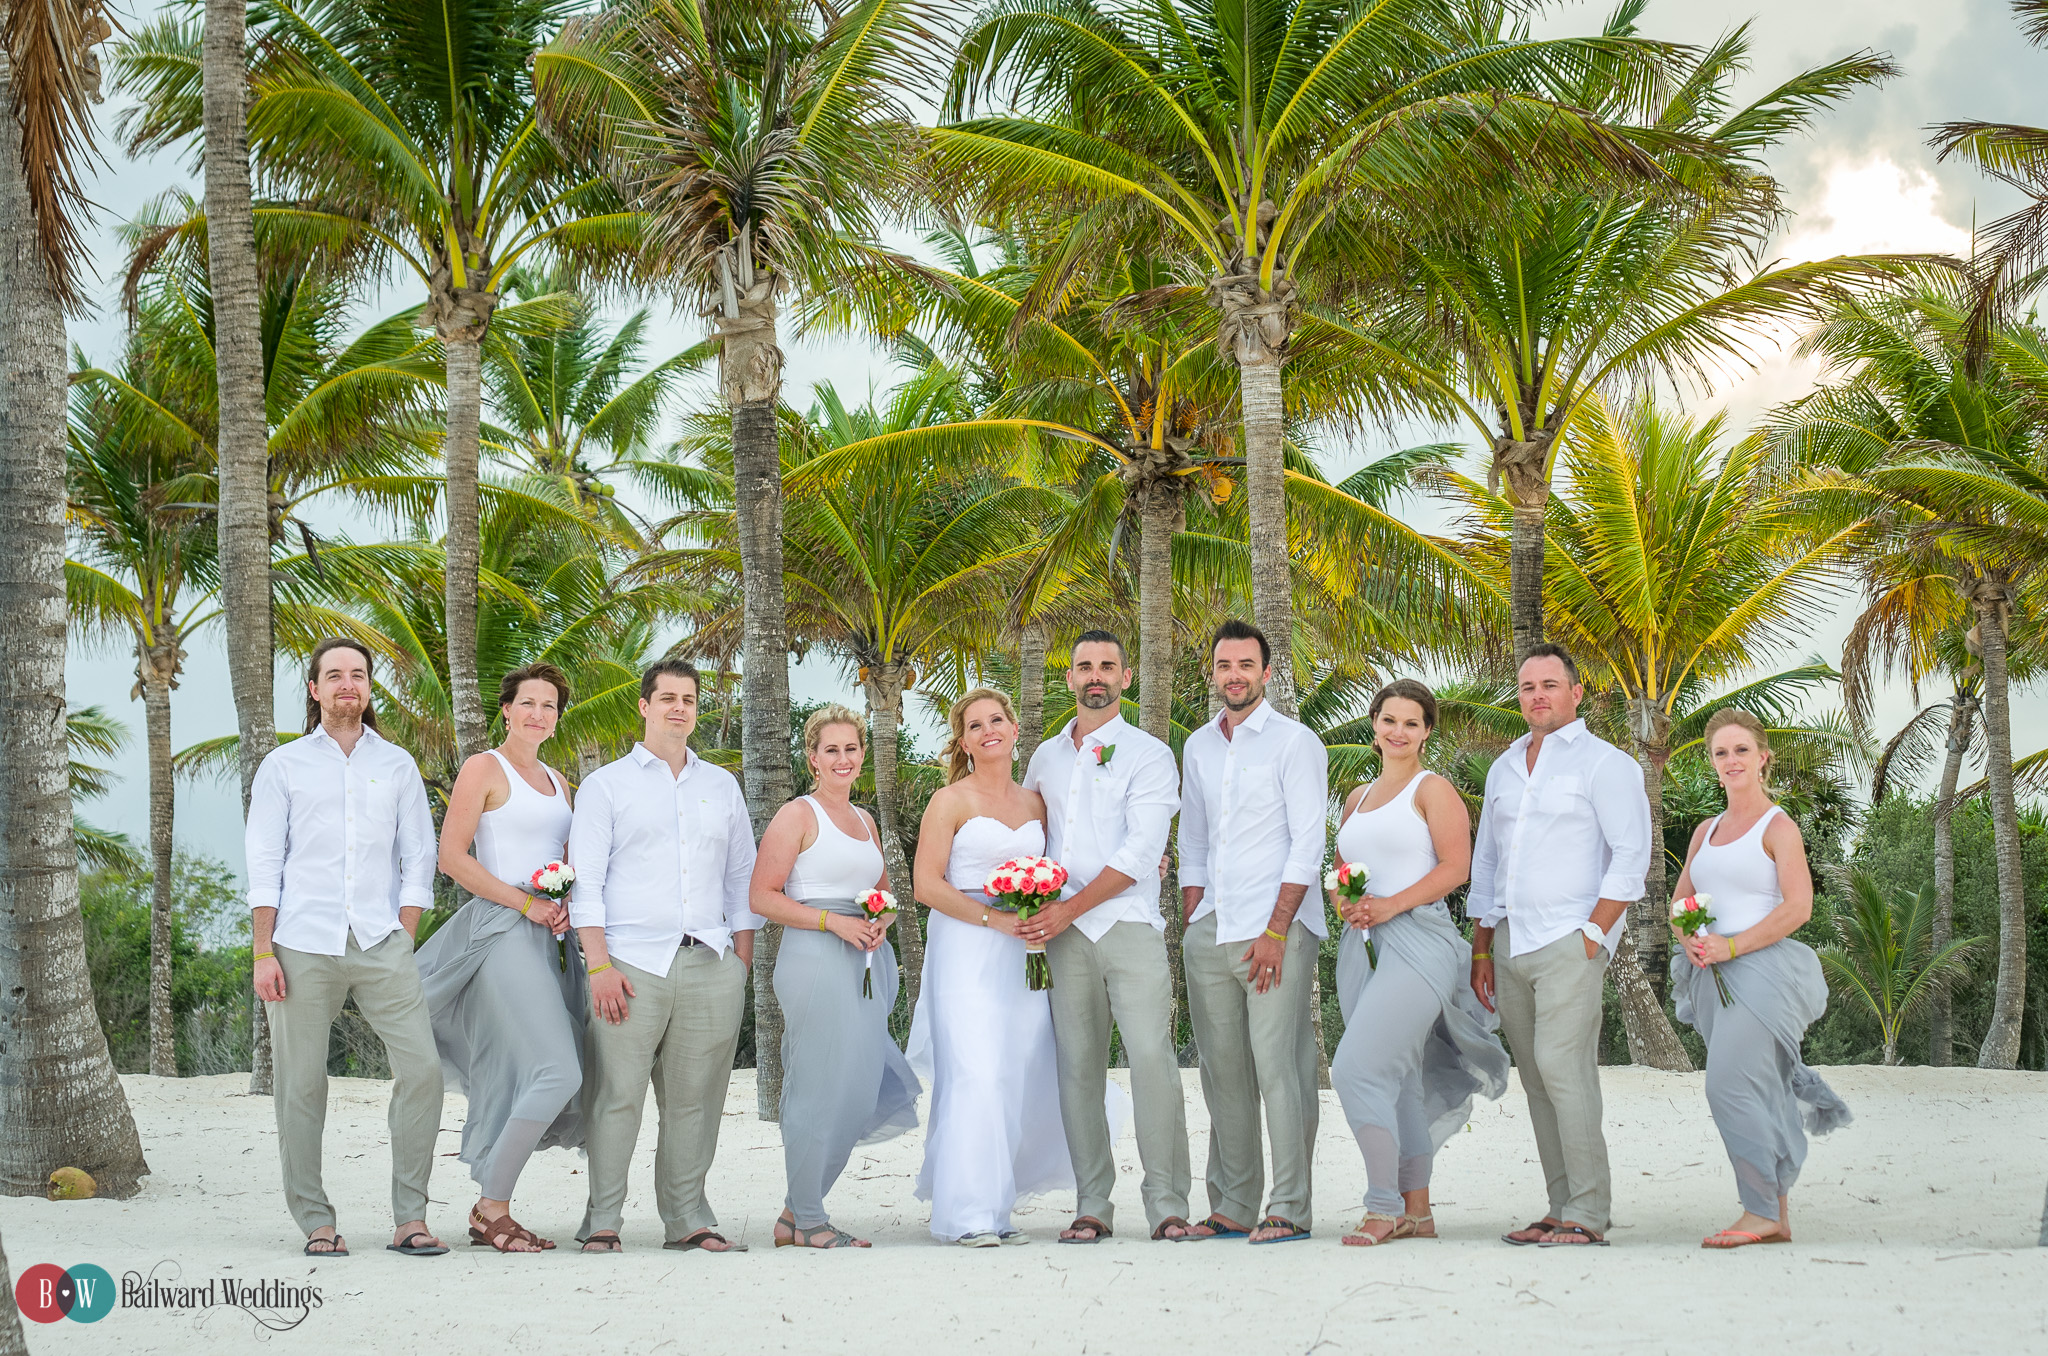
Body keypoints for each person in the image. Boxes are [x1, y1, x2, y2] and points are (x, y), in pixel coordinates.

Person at [247, 637, 447, 1259]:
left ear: (368, 688)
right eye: (333, 675)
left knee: (424, 1071)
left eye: (357, 675)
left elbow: (420, 857)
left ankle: (409, 1218)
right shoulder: (283, 767)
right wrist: (262, 952)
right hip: (301, 944)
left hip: (381, 941)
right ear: (314, 689)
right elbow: (264, 863)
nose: (346, 685)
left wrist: (404, 933)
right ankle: (315, 1220)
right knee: (301, 1085)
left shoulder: (397, 766)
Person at [568, 659, 761, 1254]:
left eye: (689, 699)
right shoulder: (606, 785)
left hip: (710, 962)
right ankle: (603, 1220)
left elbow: (741, 878)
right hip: (628, 966)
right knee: (618, 1096)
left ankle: (687, 1219)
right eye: (668, 697)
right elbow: (587, 882)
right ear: (645, 707)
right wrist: (598, 965)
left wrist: (740, 962)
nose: (680, 707)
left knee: (696, 1100)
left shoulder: (721, 786)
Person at [1468, 645, 1650, 1248]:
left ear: (1577, 691)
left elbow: (1631, 856)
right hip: (1511, 940)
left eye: (1550, 684)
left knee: (1563, 1069)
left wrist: (1595, 932)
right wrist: (1481, 946)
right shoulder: (1504, 768)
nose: (1537, 695)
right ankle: (1558, 1205)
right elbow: (1488, 860)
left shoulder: (1608, 764)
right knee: (1538, 1079)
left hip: (1572, 939)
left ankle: (1589, 1213)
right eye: (1526, 687)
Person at [1018, 631, 1193, 1243]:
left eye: (1108, 666)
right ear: (1069, 678)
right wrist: (1031, 901)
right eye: (1084, 665)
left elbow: (1144, 849)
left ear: (1125, 677)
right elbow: (1028, 838)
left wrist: (1069, 910)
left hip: (1129, 926)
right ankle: (1092, 1203)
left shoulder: (1149, 754)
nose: (1096, 675)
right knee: (1078, 1070)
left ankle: (1168, 1203)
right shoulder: (1043, 757)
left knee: (1152, 1061)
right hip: (1061, 940)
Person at [1328, 681, 1509, 1246]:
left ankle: (1381, 1206)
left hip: (1419, 941)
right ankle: (1418, 1212)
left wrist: (1389, 905)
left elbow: (1458, 868)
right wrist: (1345, 902)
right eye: (1389, 720)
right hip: (1360, 948)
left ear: (1427, 731)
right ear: (1374, 724)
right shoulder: (1356, 797)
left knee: (1354, 1070)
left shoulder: (1433, 790)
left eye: (1411, 723)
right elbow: (1342, 866)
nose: (1398, 732)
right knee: (1399, 1076)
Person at [415, 663, 586, 1254]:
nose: (539, 714)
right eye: (528, 703)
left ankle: (493, 1205)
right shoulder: (483, 767)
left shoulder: (561, 781)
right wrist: (525, 904)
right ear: (506, 710)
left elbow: (566, 860)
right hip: (502, 929)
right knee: (558, 1071)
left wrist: (561, 907)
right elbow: (452, 858)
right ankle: (491, 1209)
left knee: (532, 1071)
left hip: (552, 938)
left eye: (550, 706)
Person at [1670, 708, 1851, 1249]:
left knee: (1726, 1084)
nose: (1731, 761)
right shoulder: (1706, 831)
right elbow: (1681, 899)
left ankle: (1757, 1209)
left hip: (1762, 974)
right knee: (1762, 1088)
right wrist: (1692, 939)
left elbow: (1798, 908)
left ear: (1763, 756)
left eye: (1741, 750)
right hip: (1710, 976)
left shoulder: (1779, 827)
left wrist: (1732, 944)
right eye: (1721, 753)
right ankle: (1776, 1214)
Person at [1175, 620, 1329, 1245]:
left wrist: (1275, 929)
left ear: (1267, 672)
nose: (1234, 674)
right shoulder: (1198, 746)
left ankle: (1289, 1206)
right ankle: (1234, 1204)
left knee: (1279, 1067)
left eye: (1246, 664)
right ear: (1212, 672)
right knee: (1223, 1070)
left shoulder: (1297, 743)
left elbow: (1308, 843)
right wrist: (1194, 914)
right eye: (1223, 664)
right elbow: (1194, 838)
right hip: (1212, 927)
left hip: (1275, 930)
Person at [749, 705, 920, 1249]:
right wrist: (834, 923)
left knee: (856, 1086)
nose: (842, 759)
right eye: (831, 750)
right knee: (817, 1086)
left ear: (862, 755)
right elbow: (761, 897)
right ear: (813, 758)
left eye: (851, 749)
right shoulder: (797, 816)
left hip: (866, 961)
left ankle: (793, 1214)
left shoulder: (867, 821)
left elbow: (888, 891)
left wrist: (880, 920)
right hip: (815, 959)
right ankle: (811, 1220)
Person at [906, 688, 1073, 1246]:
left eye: (996, 719)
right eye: (974, 725)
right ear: (963, 741)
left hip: (1025, 948)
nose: (987, 730)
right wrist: (990, 919)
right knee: (974, 1069)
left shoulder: (1035, 804)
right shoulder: (948, 801)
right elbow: (926, 885)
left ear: (1014, 727)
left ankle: (997, 1210)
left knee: (1013, 1070)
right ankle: (965, 1215)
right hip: (966, 944)